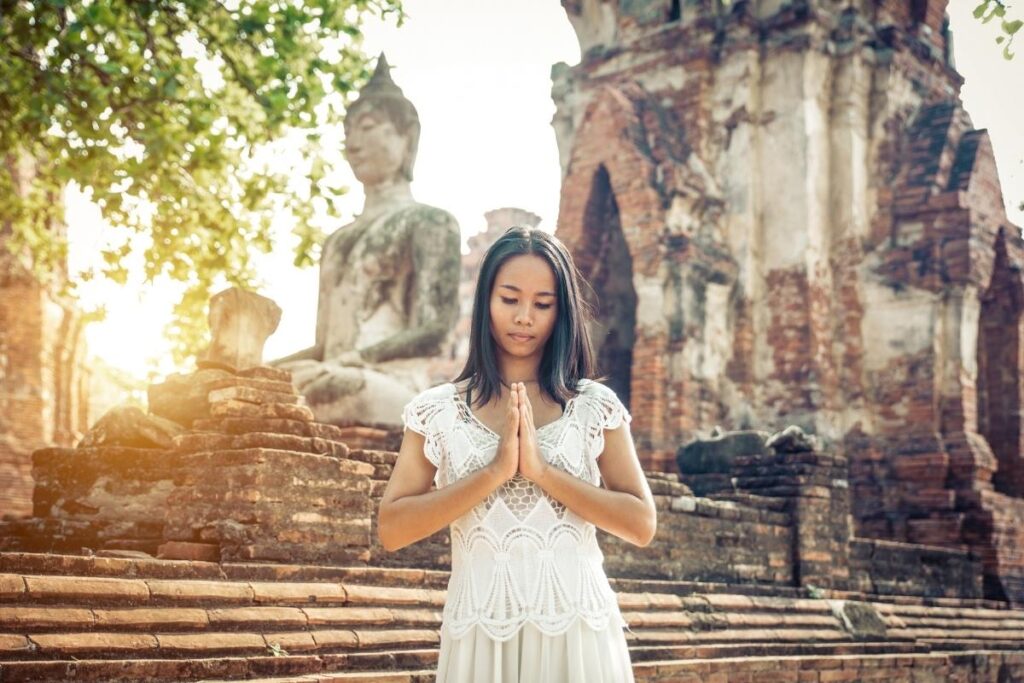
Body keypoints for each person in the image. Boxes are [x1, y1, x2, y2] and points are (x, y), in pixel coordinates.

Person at [378, 226, 657, 682]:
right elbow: (392, 528)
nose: (525, 317)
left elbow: (641, 523)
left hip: (577, 632)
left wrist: (542, 472)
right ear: (485, 301)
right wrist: (495, 472)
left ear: (560, 310)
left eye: (542, 304)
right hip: (482, 633)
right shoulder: (437, 411)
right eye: (510, 299)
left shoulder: (592, 405)